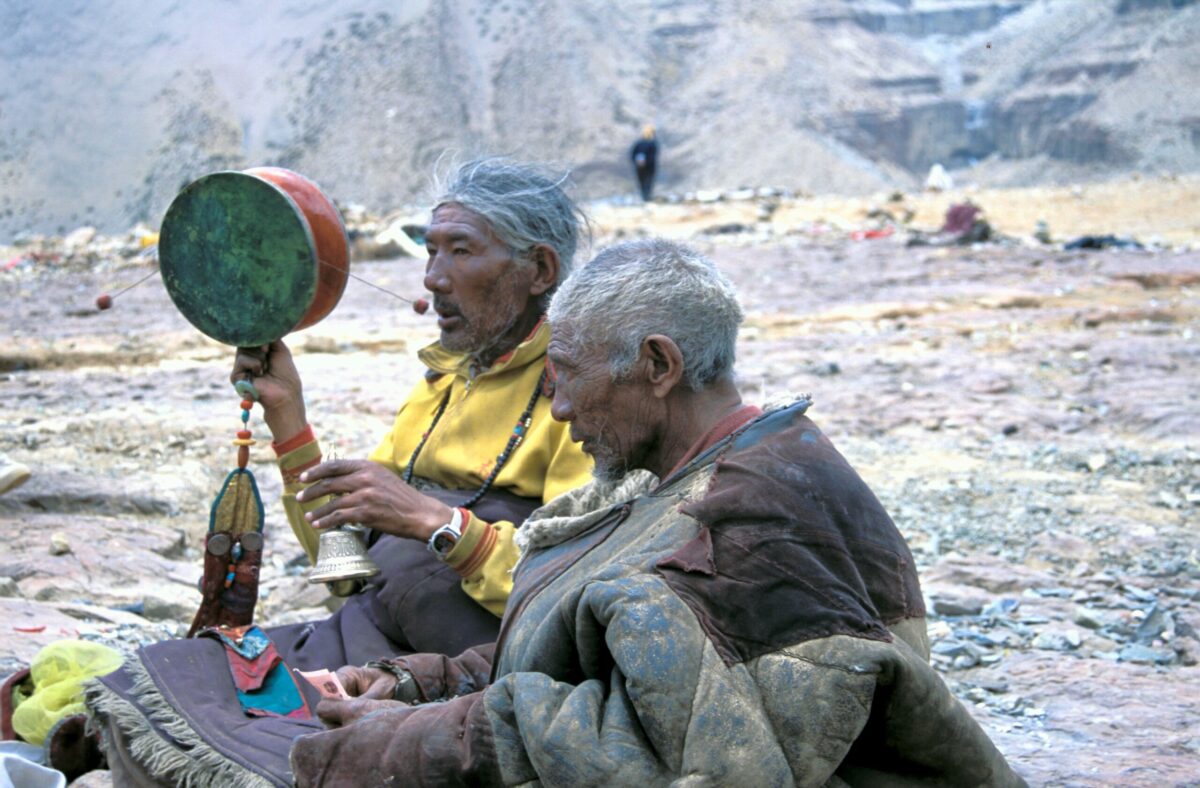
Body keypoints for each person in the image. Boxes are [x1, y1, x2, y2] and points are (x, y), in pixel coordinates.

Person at [288, 238, 1025, 786]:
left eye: (568, 377)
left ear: (659, 366)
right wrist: (422, 684)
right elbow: (589, 657)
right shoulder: (681, 474)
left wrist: (414, 738)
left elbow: (677, 752)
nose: (562, 407)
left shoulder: (754, 517)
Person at [86, 159, 594, 786]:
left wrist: (434, 522)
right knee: (162, 676)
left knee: (254, 745)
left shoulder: (579, 396)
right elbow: (344, 565)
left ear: (538, 270)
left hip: (452, 667)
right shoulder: (443, 387)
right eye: (430, 251)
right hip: (363, 630)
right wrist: (290, 424)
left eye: (460, 251)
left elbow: (572, 588)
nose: (434, 278)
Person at [630, 124, 658, 202]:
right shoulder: (652, 144)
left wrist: (638, 163)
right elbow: (653, 156)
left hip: (640, 167)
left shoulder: (638, 143)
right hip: (649, 167)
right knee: (647, 182)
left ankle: (645, 197)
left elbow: (632, 154)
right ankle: (646, 197)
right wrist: (644, 163)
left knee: (643, 182)